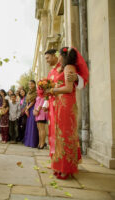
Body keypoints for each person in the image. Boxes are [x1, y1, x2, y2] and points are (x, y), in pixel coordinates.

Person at [47, 47, 89, 179]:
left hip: (66, 104)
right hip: (62, 103)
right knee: (61, 135)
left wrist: (52, 90)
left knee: (65, 135)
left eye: (59, 55)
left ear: (63, 57)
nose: (58, 58)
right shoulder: (65, 68)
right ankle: (61, 166)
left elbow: (68, 88)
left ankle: (66, 168)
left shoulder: (68, 67)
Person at [23, 80, 39, 148]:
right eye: (29, 84)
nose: (30, 85)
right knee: (29, 125)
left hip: (33, 108)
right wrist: (26, 108)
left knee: (33, 125)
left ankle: (33, 142)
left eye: (32, 84)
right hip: (28, 108)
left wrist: (28, 108)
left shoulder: (36, 92)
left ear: (34, 84)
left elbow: (33, 101)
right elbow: (27, 101)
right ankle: (28, 142)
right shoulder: (29, 92)